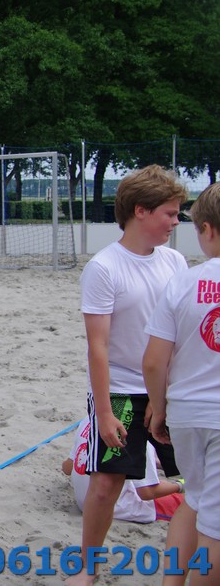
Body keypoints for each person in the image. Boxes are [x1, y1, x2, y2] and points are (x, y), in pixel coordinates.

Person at [66, 164, 188, 586]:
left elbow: (179, 334)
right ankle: (88, 568)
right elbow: (97, 346)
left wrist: (164, 394)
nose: (176, 221)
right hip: (120, 390)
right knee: (106, 484)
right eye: (170, 213)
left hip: (168, 388)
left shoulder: (175, 262)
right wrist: (103, 412)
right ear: (140, 211)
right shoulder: (104, 267)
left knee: (195, 480)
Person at [143, 181, 220, 586]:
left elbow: (154, 361)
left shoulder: (183, 281)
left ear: (206, 228)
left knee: (195, 500)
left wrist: (159, 409)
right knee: (217, 528)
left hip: (187, 412)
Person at [63, 417, 185, 524]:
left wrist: (154, 463)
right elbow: (147, 492)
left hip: (85, 501)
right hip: (117, 507)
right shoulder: (138, 433)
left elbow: (68, 468)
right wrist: (180, 485)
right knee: (190, 502)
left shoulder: (89, 420)